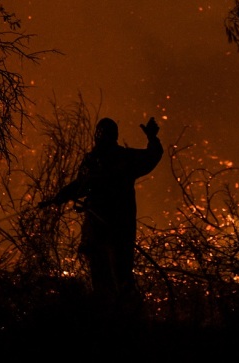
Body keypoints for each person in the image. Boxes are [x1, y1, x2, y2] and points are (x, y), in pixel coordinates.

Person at [40, 116, 162, 309]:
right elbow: (81, 185)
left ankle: (123, 317)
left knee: (116, 276)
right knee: (108, 276)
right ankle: (116, 316)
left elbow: (81, 185)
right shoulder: (109, 159)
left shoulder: (112, 159)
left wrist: (62, 196)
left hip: (114, 227)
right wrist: (61, 196)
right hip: (107, 227)